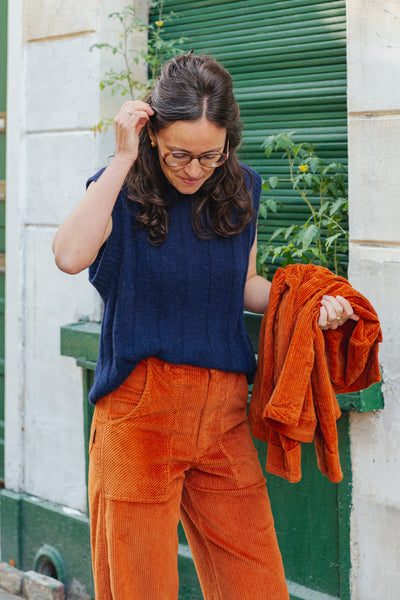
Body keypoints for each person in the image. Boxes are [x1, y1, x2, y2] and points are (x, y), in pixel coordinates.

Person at [53, 53, 358, 600]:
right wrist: (123, 158)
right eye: (179, 155)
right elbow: (70, 255)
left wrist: (310, 302)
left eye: (209, 156)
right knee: (138, 587)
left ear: (227, 144)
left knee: (257, 585)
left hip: (222, 415)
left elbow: (240, 285)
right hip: (139, 411)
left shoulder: (240, 188)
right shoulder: (119, 187)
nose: (194, 169)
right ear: (152, 136)